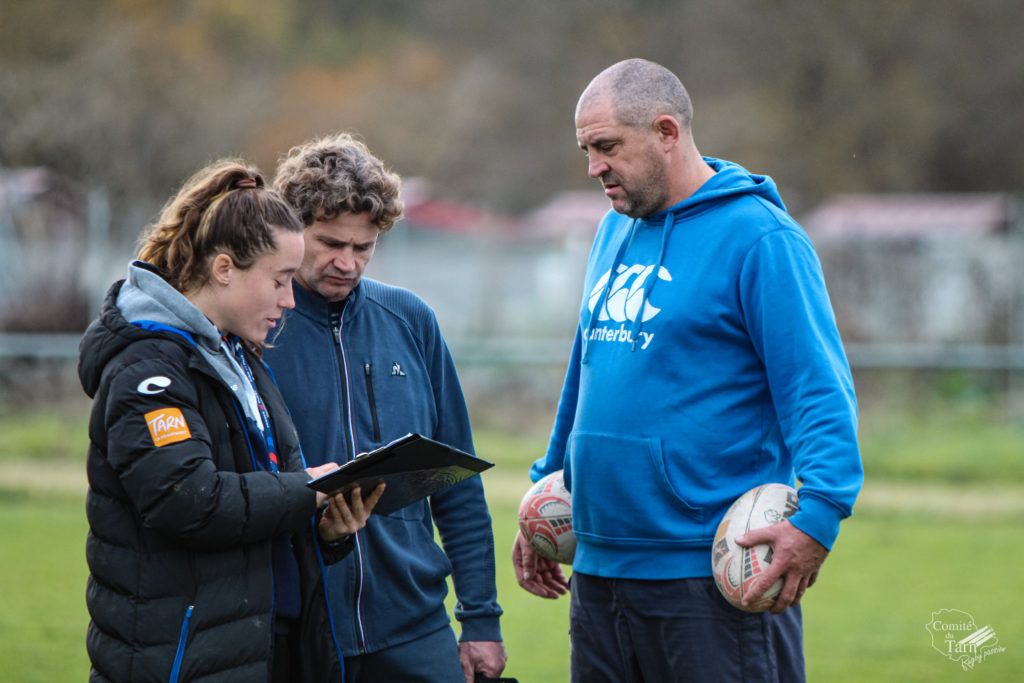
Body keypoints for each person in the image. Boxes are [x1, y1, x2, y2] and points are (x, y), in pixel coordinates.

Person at [512, 59, 864, 682]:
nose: (594, 167)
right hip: (599, 573)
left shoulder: (760, 238)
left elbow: (817, 388)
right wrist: (546, 494)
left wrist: (821, 514)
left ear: (667, 133)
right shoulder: (611, 233)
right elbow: (586, 373)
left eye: (607, 147)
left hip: (707, 577)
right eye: (587, 150)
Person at [78, 159, 384, 683]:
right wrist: (306, 490)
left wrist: (326, 528)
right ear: (224, 269)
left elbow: (260, 493)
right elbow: (186, 499)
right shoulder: (148, 368)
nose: (290, 300)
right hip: (180, 658)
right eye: (281, 280)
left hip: (262, 646)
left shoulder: (238, 355)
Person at [264, 133, 507, 683]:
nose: (348, 263)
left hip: (417, 627)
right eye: (329, 243)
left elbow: (457, 481)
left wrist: (481, 620)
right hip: (297, 627)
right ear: (290, 229)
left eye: (364, 247)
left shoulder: (411, 319)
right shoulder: (257, 328)